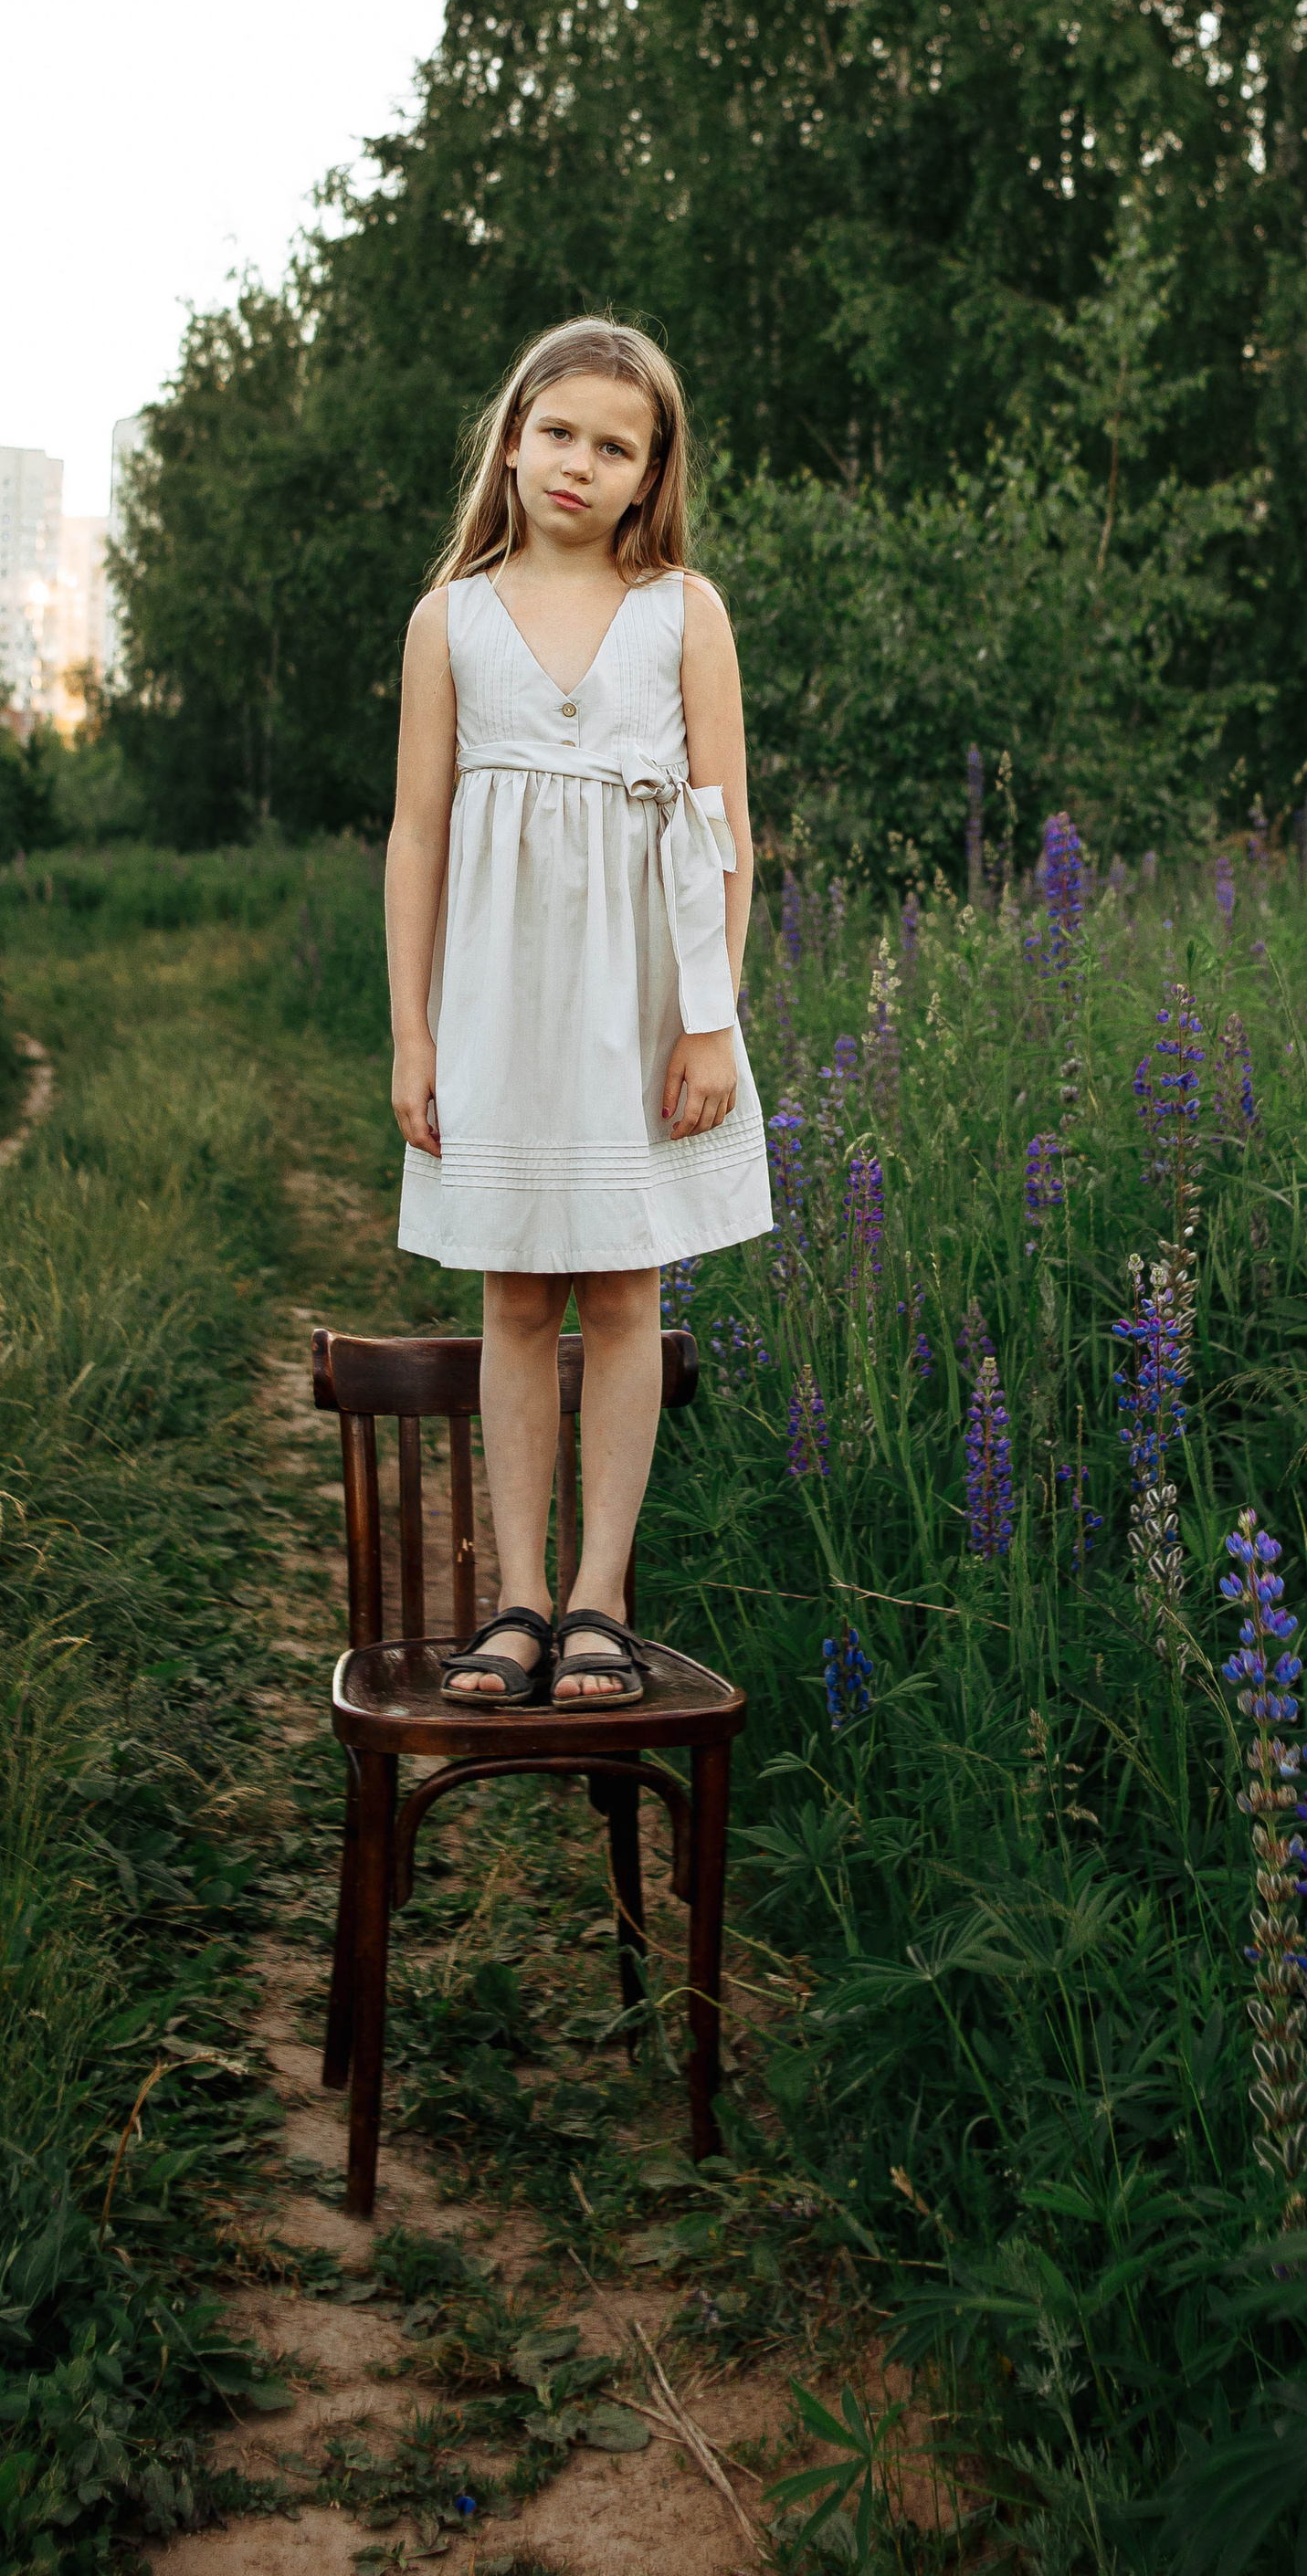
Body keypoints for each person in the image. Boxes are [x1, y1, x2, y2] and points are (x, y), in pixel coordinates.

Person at [386, 317, 772, 1709]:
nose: (580, 462)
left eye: (616, 445)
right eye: (559, 432)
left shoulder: (686, 611)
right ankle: (516, 1598)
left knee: (621, 1285)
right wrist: (414, 1035)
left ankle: (600, 1594)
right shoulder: (453, 619)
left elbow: (722, 828)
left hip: (640, 996)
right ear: (511, 436)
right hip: (496, 999)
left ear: (652, 468)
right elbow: (417, 835)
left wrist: (711, 1023)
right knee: (514, 1290)